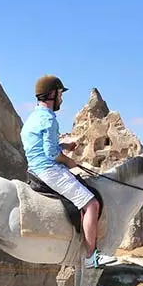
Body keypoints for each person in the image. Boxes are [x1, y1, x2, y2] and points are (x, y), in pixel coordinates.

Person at [21, 75, 117, 269]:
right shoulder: (49, 118)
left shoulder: (33, 117)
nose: (61, 99)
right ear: (52, 94)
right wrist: (69, 161)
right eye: (60, 94)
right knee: (91, 204)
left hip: (34, 168)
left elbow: (40, 144)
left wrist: (64, 144)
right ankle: (91, 257)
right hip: (49, 169)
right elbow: (52, 154)